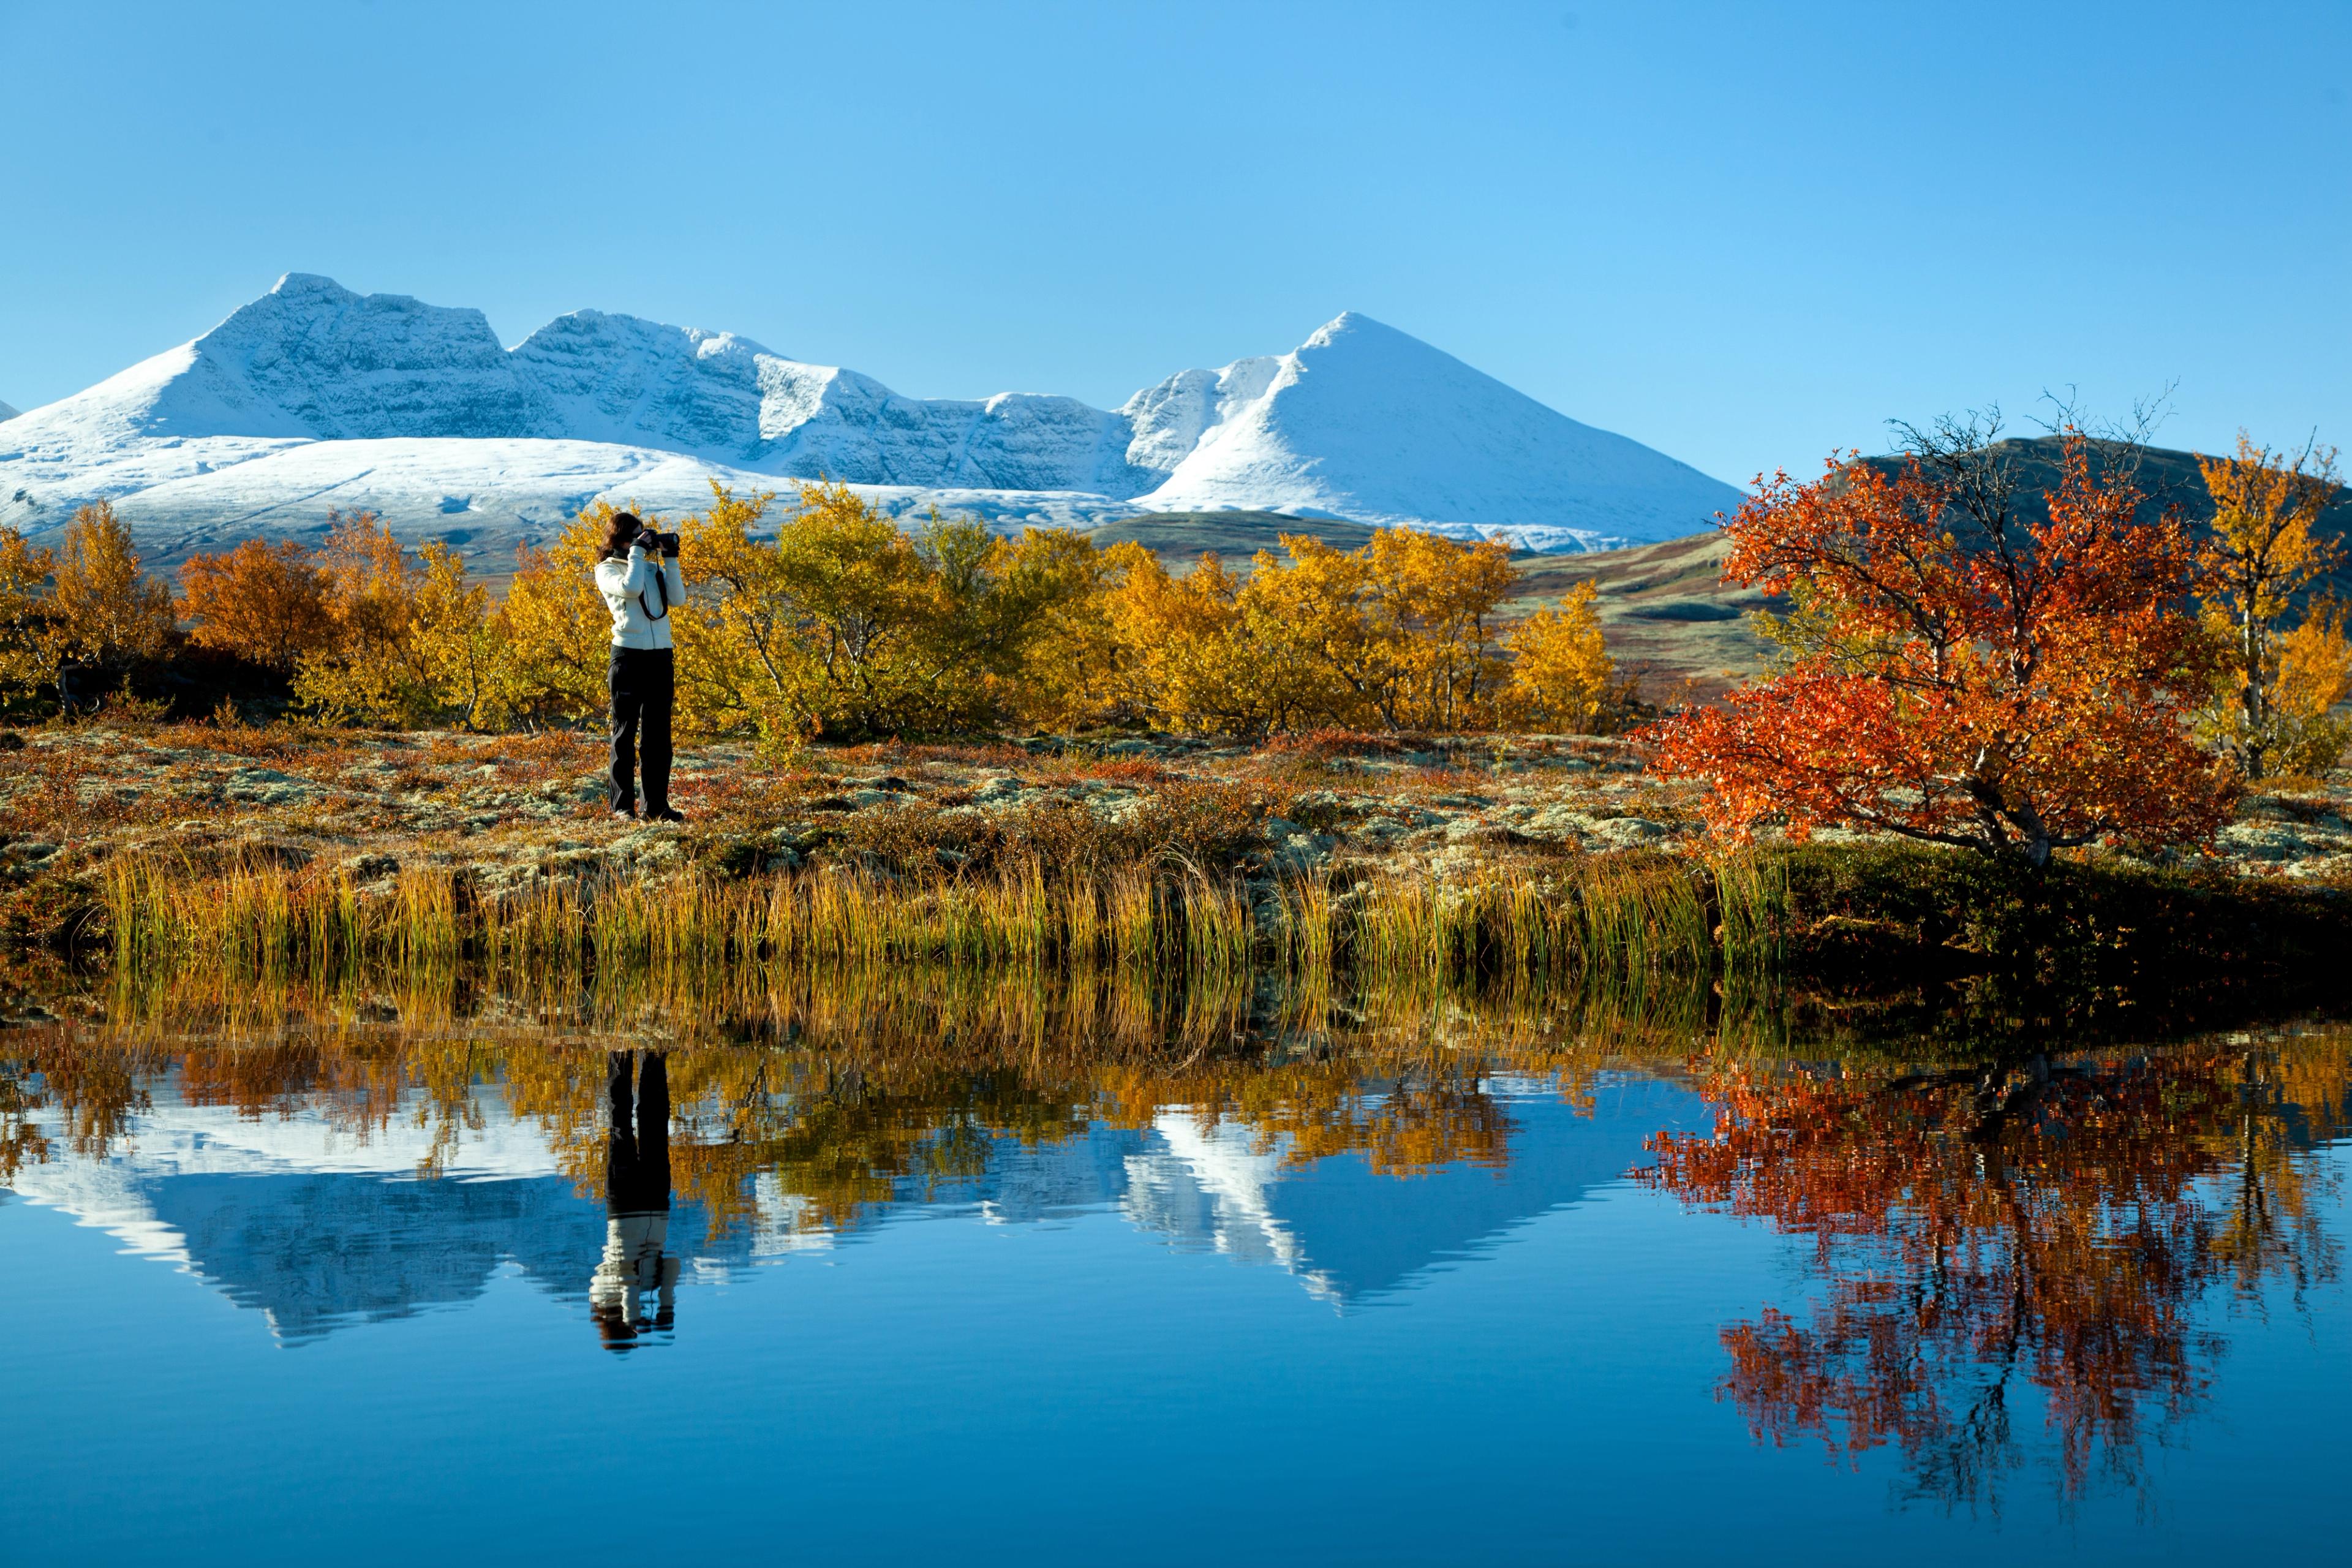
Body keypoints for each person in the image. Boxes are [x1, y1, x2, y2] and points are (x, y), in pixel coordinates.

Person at [594, 512, 687, 821]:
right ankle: (622, 808)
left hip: (661, 655)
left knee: (658, 738)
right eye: (636, 535)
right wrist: (637, 551)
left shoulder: (649, 568)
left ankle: (656, 807)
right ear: (619, 539)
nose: (643, 540)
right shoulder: (606, 570)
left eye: (644, 535)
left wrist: (670, 559)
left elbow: (678, 599)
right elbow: (631, 589)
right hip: (628, 657)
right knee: (624, 735)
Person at [590, 1049, 680, 1350]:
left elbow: (626, 1273)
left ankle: (619, 1049)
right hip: (657, 1201)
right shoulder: (651, 1287)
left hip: (625, 1204)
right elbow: (674, 1264)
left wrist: (633, 1312)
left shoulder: (599, 1295)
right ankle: (654, 1053)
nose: (635, 1330)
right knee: (655, 1119)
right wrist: (666, 1306)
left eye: (629, 1332)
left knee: (620, 1119)